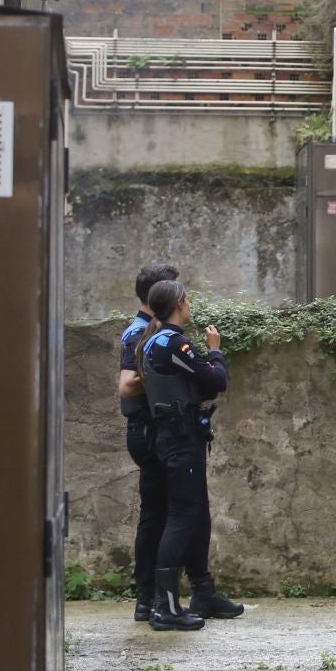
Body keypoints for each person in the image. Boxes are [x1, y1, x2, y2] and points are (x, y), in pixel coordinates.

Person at [137, 280, 239, 631]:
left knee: (196, 514)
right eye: (187, 299)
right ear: (180, 303)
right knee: (182, 516)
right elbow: (216, 380)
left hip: (174, 438)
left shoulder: (151, 341)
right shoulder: (172, 342)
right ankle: (165, 608)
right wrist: (215, 349)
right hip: (180, 439)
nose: (190, 304)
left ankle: (203, 593)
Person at [117, 264, 179, 621]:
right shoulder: (138, 333)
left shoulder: (153, 330)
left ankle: (154, 596)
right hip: (146, 431)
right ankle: (148, 598)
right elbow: (126, 385)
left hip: (155, 431)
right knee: (156, 515)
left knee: (161, 512)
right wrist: (161, 371)